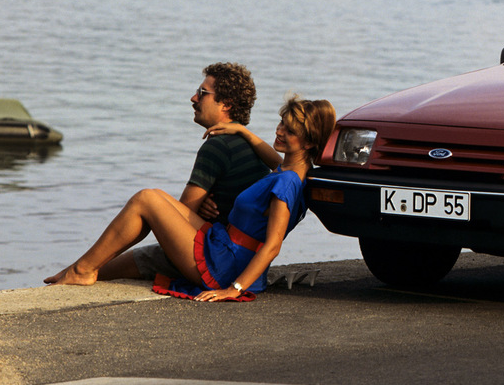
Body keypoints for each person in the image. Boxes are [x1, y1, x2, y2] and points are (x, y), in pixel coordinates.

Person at [45, 96, 336, 302]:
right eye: (281, 123)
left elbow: (273, 245)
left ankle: (82, 270)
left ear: (309, 142)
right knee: (156, 197)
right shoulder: (294, 172)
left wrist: (234, 289)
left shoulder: (286, 182)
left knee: (146, 199)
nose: (279, 131)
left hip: (226, 264)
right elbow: (274, 158)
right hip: (223, 245)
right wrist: (242, 130)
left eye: (289, 130)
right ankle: (81, 268)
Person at [105, 63, 273, 284]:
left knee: (107, 267)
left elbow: (180, 218)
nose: (194, 98)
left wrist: (196, 208)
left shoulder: (218, 145)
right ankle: (79, 270)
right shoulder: (251, 146)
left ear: (226, 104)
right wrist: (201, 208)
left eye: (202, 93)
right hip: (242, 259)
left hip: (213, 258)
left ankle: (79, 271)